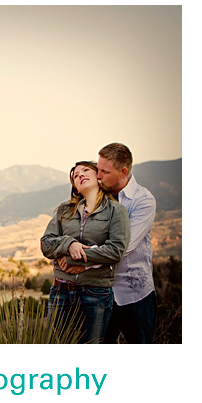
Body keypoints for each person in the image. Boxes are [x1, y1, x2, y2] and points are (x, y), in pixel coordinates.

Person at [41, 161, 130, 344]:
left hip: (95, 293)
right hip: (60, 291)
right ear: (75, 188)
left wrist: (74, 259)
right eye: (75, 175)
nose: (80, 174)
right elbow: (46, 244)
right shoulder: (64, 211)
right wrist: (69, 243)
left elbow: (116, 250)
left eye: (85, 170)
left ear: (98, 176)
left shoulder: (116, 211)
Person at [97, 143, 157, 343]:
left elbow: (123, 247)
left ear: (123, 172)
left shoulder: (143, 200)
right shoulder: (96, 196)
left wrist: (83, 260)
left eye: (105, 172)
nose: (98, 176)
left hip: (135, 294)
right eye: (98, 170)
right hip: (101, 292)